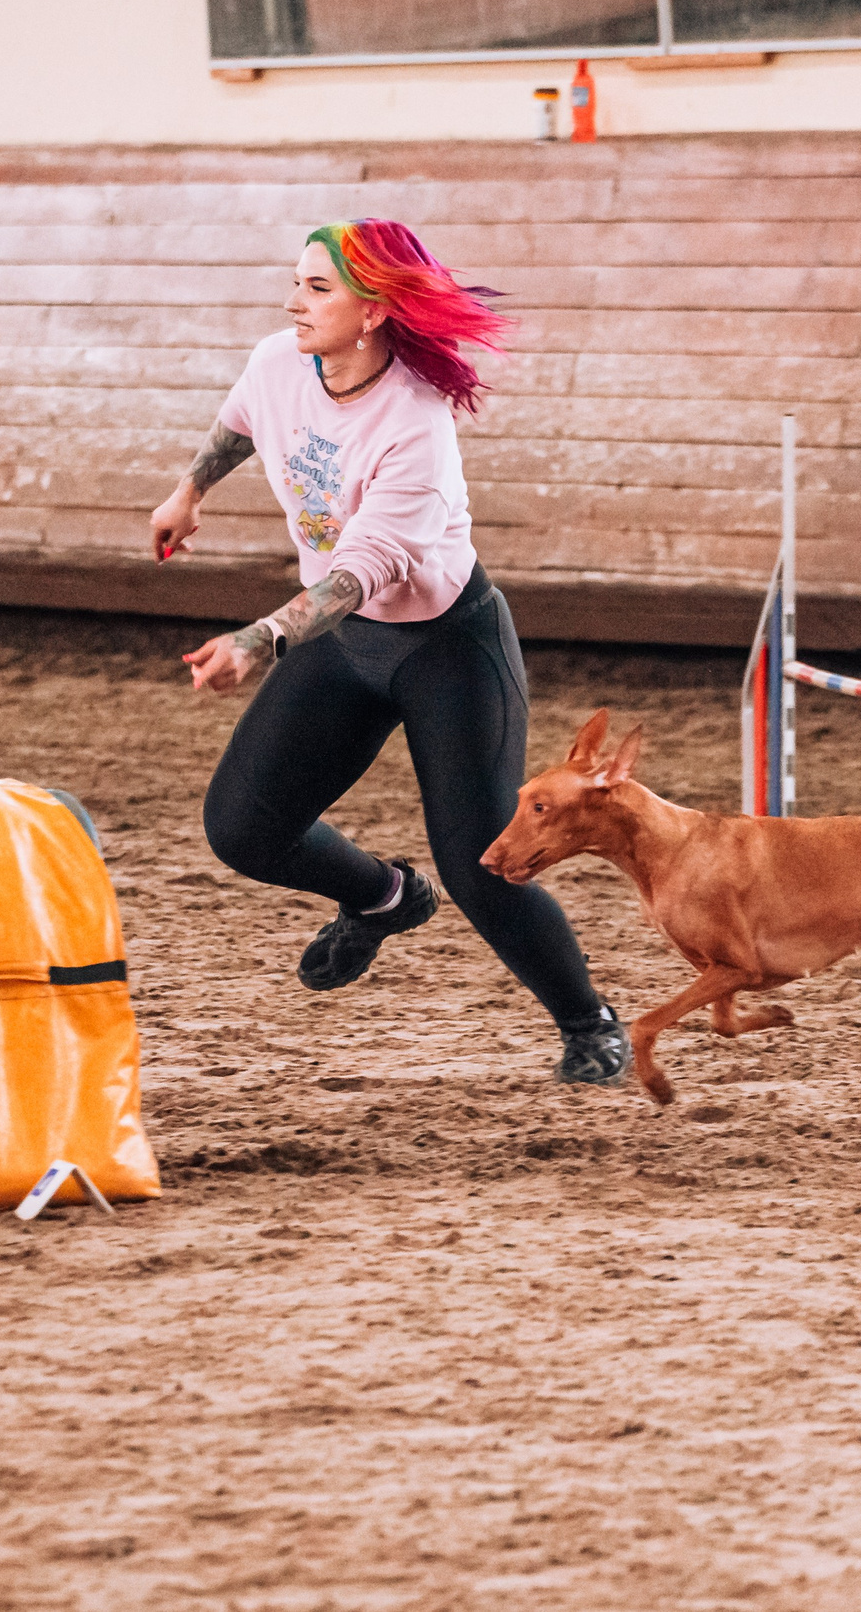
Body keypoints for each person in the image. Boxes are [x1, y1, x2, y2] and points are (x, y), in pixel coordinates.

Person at [149, 219, 631, 1085]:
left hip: (446, 646)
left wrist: (258, 641)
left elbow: (361, 575)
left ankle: (586, 1018)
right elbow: (239, 422)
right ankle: (385, 898)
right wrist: (188, 491)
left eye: (317, 289)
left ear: (373, 311)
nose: (294, 301)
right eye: (296, 282)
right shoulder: (278, 361)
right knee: (242, 830)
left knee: (483, 867)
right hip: (348, 646)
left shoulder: (417, 425)